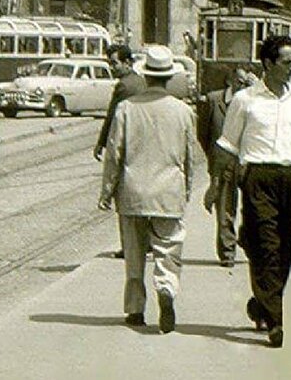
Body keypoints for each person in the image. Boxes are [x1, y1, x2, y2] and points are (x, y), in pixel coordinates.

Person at [216, 34, 291, 348]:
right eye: (287, 62)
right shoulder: (245, 100)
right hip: (257, 176)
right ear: (268, 64)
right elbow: (228, 146)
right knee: (268, 245)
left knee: (284, 247)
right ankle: (276, 321)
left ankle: (261, 304)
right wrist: (216, 186)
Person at [98, 46, 199, 334]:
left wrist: (107, 191)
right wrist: (186, 189)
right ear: (168, 78)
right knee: (168, 250)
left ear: (146, 75)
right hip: (168, 190)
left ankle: (135, 309)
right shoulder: (183, 111)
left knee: (134, 253)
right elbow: (190, 156)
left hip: (132, 191)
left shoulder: (126, 109)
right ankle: (166, 289)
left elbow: (114, 153)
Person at [197, 67, 252, 268]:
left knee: (253, 208)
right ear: (230, 81)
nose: (242, 86)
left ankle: (247, 239)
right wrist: (213, 156)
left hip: (248, 163)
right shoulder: (213, 100)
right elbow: (202, 133)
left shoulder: (251, 102)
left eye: (246, 83)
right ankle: (227, 252)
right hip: (222, 163)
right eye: (239, 81)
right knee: (225, 209)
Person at [92, 44, 145, 162]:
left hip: (127, 141)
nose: (111, 68)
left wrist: (101, 143)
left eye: (114, 63)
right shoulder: (142, 81)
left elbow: (112, 116)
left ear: (127, 63)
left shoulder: (123, 86)